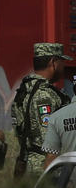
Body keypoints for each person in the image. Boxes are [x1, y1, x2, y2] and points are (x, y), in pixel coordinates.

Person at [9, 43, 69, 179]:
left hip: (29, 162)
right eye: (61, 62)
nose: (63, 67)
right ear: (53, 62)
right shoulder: (44, 96)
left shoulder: (26, 89)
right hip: (46, 168)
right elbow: (47, 139)